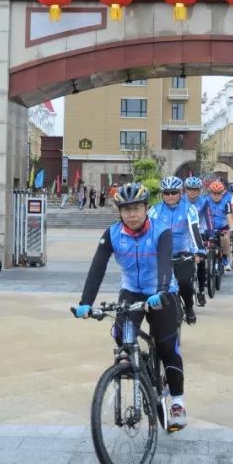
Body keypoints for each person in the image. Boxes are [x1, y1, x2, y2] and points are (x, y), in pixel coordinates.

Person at [74, 183, 188, 431]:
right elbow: (97, 268)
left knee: (167, 344)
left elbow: (165, 264)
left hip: (162, 290)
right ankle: (142, 365)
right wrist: (85, 303)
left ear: (146, 208)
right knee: (120, 335)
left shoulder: (161, 230)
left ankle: (177, 402)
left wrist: (161, 291)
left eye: (137, 208)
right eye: (126, 210)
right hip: (131, 290)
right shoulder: (112, 234)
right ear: (119, 212)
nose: (132, 214)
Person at [149, 176, 204, 325]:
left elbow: (194, 229)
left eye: (174, 192)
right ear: (162, 194)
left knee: (185, 283)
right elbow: (147, 231)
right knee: (155, 287)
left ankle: (188, 307)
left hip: (183, 253)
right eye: (166, 193)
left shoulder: (189, 208)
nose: (170, 196)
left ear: (181, 192)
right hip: (161, 255)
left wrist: (199, 250)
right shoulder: (155, 210)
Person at [184, 177, 212, 305]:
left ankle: (200, 290)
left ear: (199, 190)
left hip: (200, 233)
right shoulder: (180, 200)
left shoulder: (204, 201)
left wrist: (211, 234)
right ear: (185, 189)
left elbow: (208, 217)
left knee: (200, 262)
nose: (193, 192)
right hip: (184, 234)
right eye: (190, 189)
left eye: (195, 190)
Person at [205, 180, 233, 271]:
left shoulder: (226, 203)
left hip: (222, 227)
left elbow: (229, 216)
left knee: (225, 238)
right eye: (214, 193)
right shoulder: (206, 201)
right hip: (209, 228)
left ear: (222, 193)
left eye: (219, 193)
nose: (216, 195)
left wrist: (231, 228)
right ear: (210, 193)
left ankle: (225, 258)